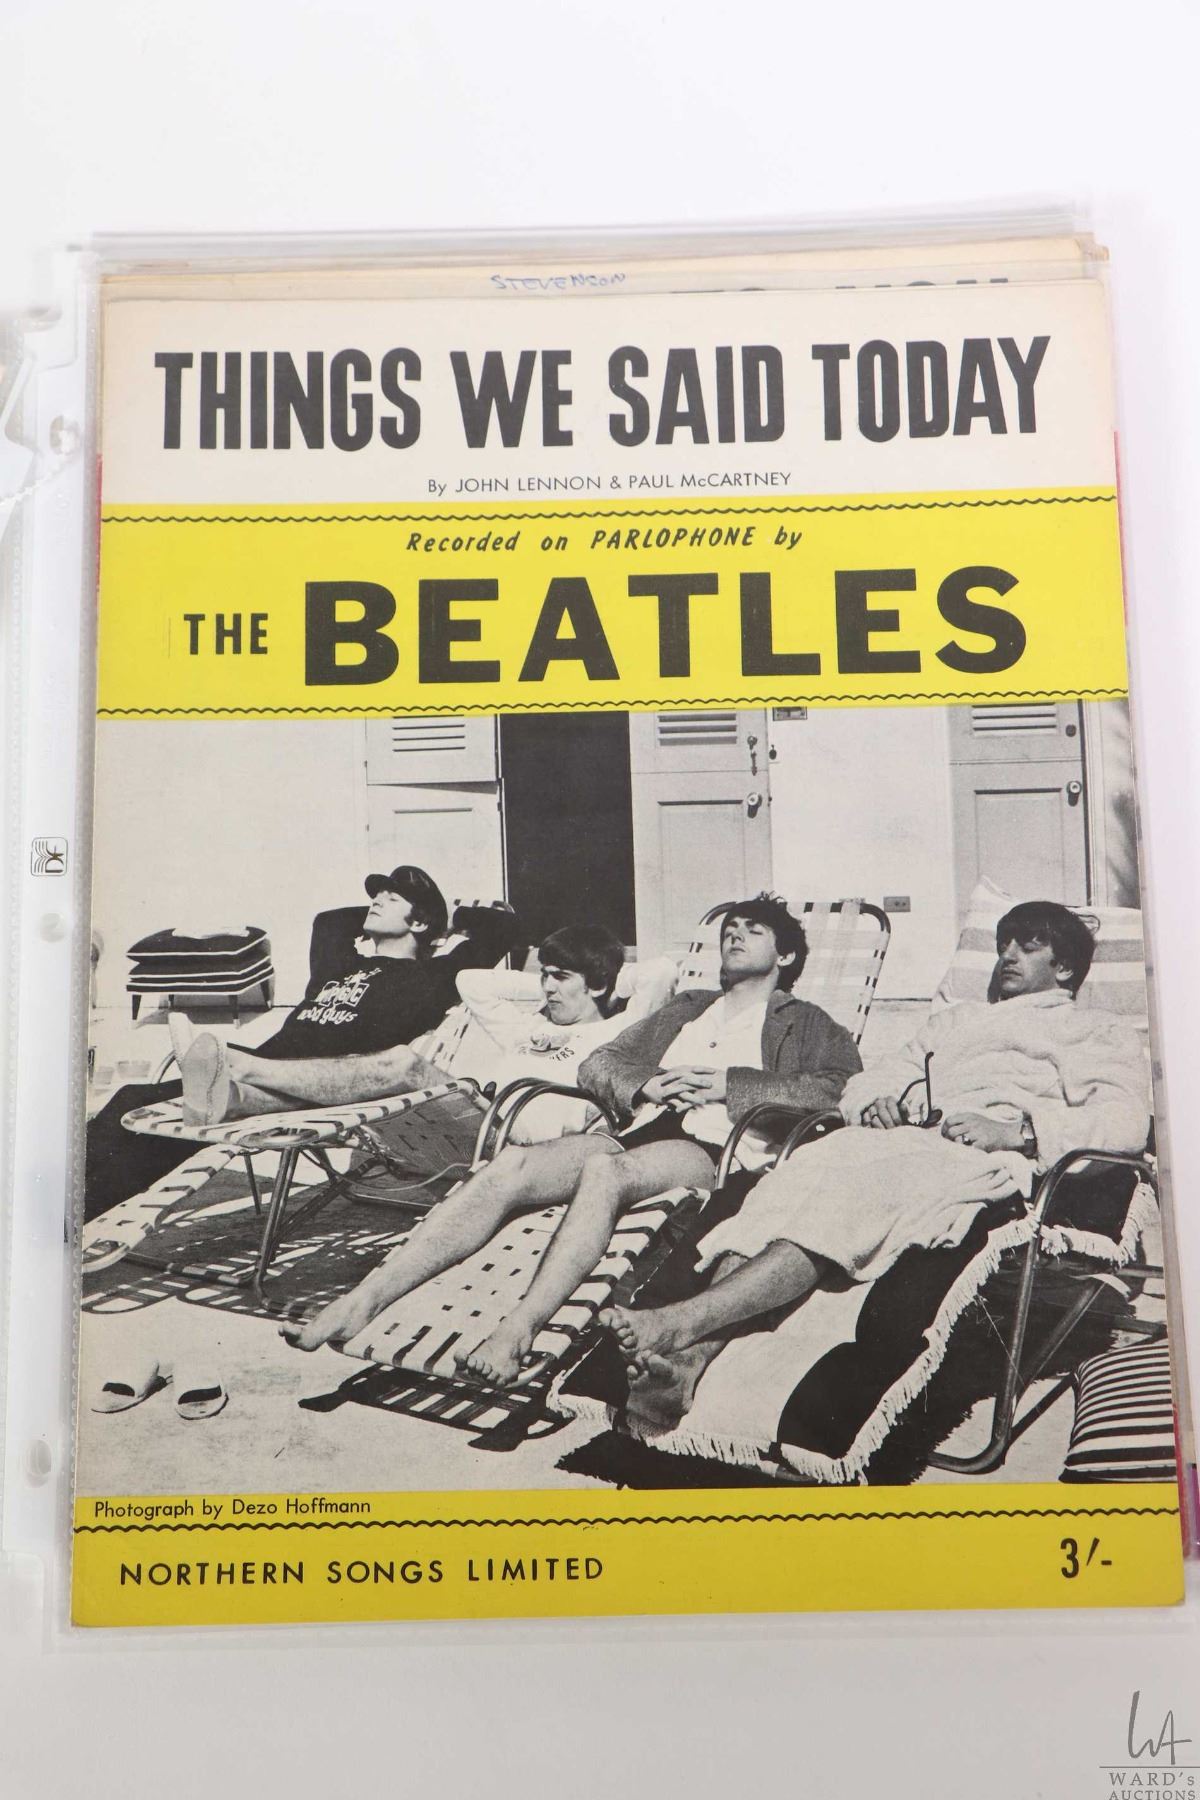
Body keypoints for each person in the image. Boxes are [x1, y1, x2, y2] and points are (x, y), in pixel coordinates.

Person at [600, 901, 1152, 1433]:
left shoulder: (1094, 1030)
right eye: (1004, 944)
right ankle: (688, 1366)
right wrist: (876, 1102)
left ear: (1065, 968)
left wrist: (1021, 1132)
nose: (1007, 956)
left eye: (1027, 947)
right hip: (895, 1140)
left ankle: (681, 1322)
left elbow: (1126, 1119)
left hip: (979, 1156)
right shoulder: (956, 1022)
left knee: (841, 1204)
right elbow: (871, 1080)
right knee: (786, 1184)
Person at [285, 894, 862, 1383]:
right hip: (641, 1127)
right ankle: (361, 1301)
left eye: (753, 930)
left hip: (716, 1148)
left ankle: (518, 1331)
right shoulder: (690, 1007)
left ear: (786, 955)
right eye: (730, 928)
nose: (734, 935)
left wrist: (728, 1084)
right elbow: (600, 1063)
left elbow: (836, 1088)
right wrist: (648, 1084)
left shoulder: (806, 1020)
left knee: (605, 1172)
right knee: (511, 1167)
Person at [83, 866, 510, 1219]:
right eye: (376, 895)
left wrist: (449, 919)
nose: (377, 900)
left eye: (391, 898)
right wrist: (400, 909)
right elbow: (329, 921)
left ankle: (81, 1209)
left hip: (330, 1087)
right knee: (133, 1099)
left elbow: (503, 929)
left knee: (187, 1117)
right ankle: (74, 1203)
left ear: (419, 923)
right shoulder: (339, 966)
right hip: (264, 1064)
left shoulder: (434, 978)